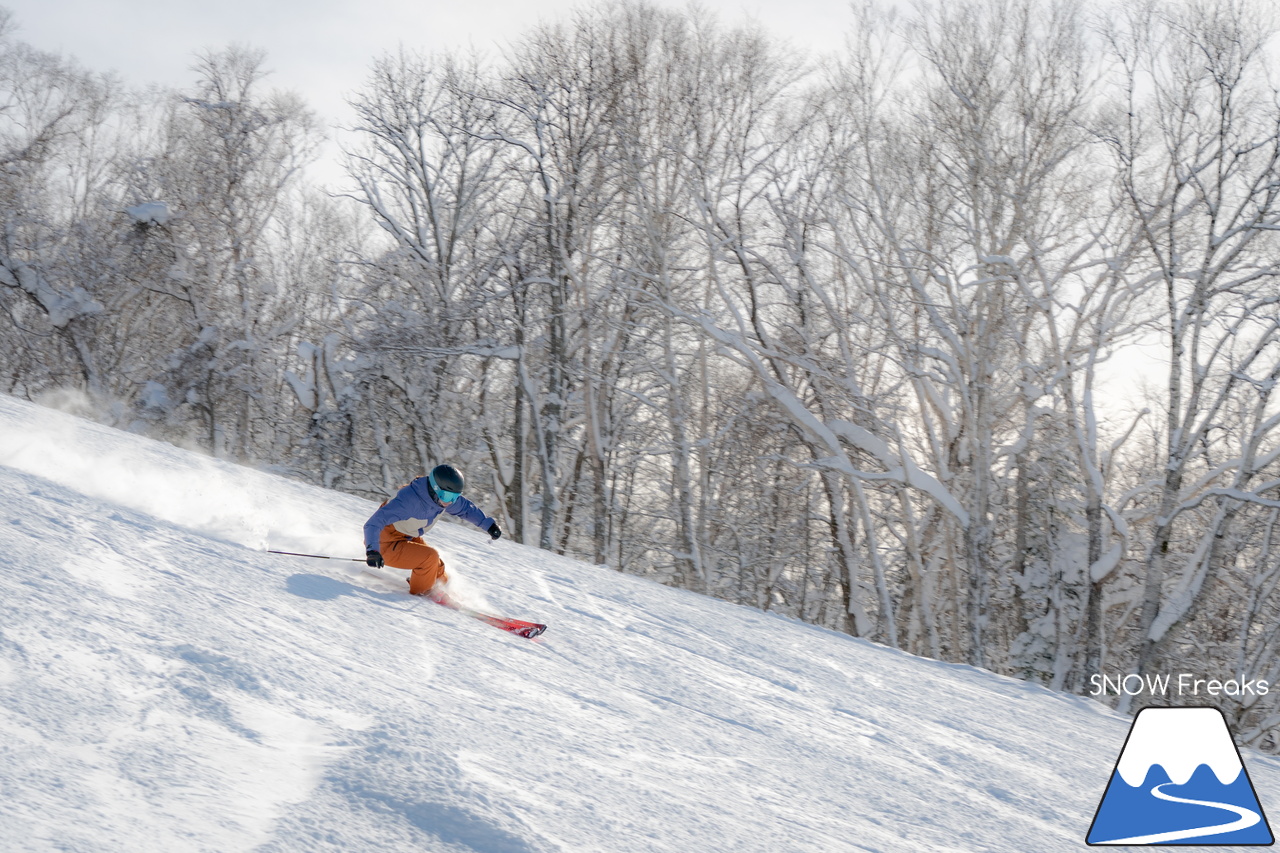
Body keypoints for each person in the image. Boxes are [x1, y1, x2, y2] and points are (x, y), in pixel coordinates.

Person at [362, 463, 502, 596]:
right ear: (435, 488)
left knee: (437, 566)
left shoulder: (442, 499)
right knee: (429, 558)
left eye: (455, 497)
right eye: (448, 496)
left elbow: (466, 509)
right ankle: (423, 593)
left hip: (407, 535)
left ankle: (442, 589)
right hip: (384, 542)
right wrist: (373, 551)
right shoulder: (409, 501)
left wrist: (489, 525)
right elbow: (374, 523)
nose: (450, 501)